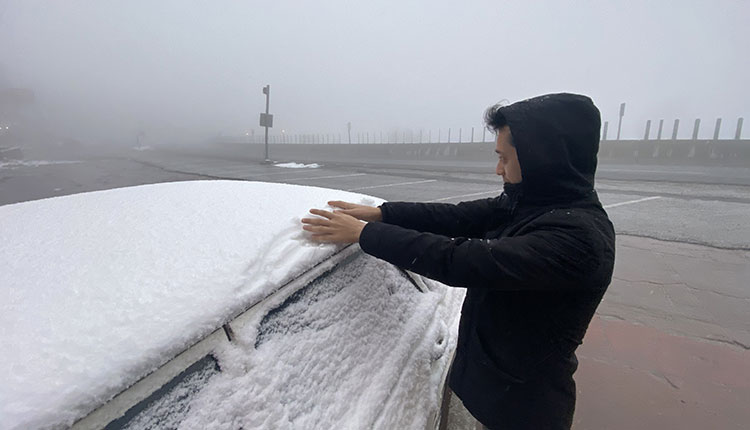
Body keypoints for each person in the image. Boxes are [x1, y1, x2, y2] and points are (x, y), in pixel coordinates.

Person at [301, 93, 616, 429]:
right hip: (494, 389)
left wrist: (364, 234)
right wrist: (383, 213)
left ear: (544, 159)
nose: (498, 170)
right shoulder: (533, 203)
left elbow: (461, 260)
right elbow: (457, 216)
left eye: (505, 159)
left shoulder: (578, 239)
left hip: (523, 409)